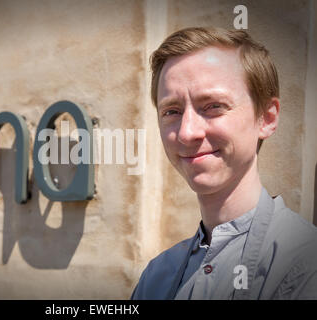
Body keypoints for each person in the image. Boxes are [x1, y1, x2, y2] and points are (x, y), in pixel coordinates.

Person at [131, 27, 317, 300]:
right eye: (172, 111)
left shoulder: (304, 264)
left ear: (266, 118)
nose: (186, 132)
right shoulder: (157, 276)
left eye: (213, 106)